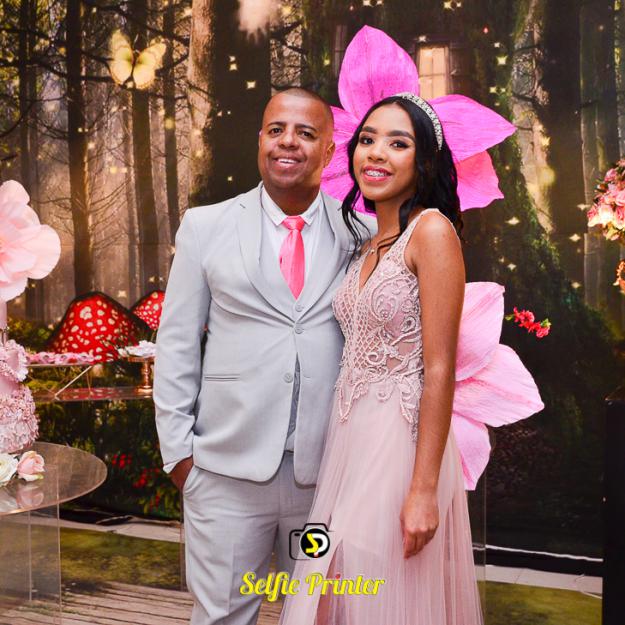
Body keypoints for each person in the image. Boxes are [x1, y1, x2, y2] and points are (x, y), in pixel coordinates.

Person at [153, 87, 376, 625]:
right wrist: (180, 457)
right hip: (225, 479)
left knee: (319, 612)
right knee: (223, 615)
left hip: (323, 485)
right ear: (260, 140)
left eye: (306, 133)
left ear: (330, 150)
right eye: (277, 130)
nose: (288, 142)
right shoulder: (206, 226)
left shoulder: (363, 234)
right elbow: (177, 344)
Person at [278, 93, 484, 624]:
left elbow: (440, 368)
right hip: (349, 443)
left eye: (398, 143)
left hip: (399, 446)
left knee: (366, 596)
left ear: (425, 160)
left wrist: (423, 490)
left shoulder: (432, 232)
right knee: (325, 593)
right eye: (367, 139)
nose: (376, 153)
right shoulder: (370, 243)